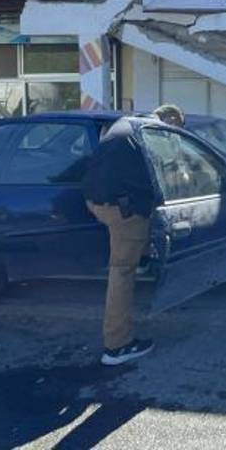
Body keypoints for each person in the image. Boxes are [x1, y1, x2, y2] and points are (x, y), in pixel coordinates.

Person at [82, 116, 158, 366]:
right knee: (122, 273)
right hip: (121, 209)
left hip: (94, 201)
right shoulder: (148, 133)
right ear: (169, 120)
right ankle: (117, 346)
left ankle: (143, 258)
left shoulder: (123, 126)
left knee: (134, 239)